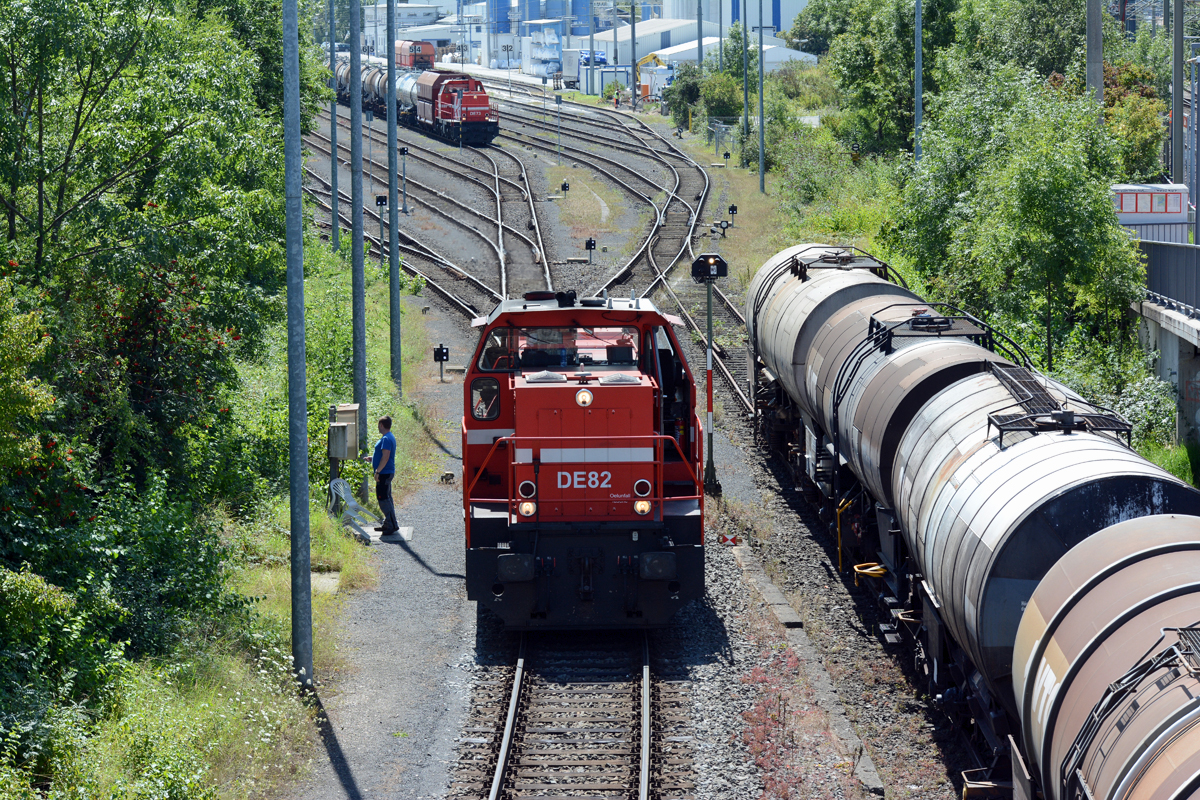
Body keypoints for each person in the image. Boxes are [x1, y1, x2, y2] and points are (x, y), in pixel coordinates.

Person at [372, 415, 399, 536]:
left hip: (384, 473)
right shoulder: (388, 437)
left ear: (381, 425)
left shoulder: (386, 439)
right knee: (386, 498)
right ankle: (388, 523)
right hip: (385, 471)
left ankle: (392, 524)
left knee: (383, 499)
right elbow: (382, 455)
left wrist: (377, 471)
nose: (378, 427)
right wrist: (372, 459)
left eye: (379, 425)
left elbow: (386, 456)